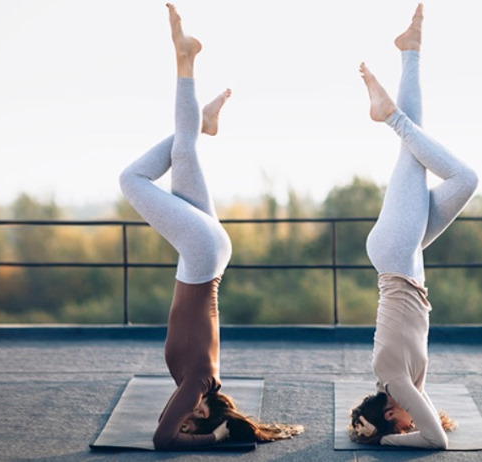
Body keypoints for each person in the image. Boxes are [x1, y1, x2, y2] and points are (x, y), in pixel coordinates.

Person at [119, 3, 302, 450]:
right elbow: (163, 439)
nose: (182, 420)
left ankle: (201, 115)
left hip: (203, 254)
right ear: (204, 414)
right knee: (132, 179)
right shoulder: (201, 382)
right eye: (192, 423)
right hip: (202, 253)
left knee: (185, 149)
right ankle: (186, 63)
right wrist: (217, 436)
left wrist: (205, 424)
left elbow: (167, 421)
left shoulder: (198, 384)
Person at [349, 3, 479, 449]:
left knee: (461, 173)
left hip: (394, 255)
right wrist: (368, 428)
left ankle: (391, 114)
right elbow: (429, 424)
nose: (409, 424)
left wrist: (381, 440)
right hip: (406, 255)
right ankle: (410, 51)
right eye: (405, 427)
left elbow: (434, 441)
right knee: (432, 162)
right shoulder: (406, 385)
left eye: (399, 424)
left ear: (389, 409)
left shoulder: (394, 381)